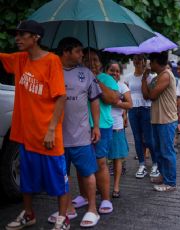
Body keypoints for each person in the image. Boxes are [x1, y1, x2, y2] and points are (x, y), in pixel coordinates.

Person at [1, 20, 70, 230]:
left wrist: (50, 130)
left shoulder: (52, 61)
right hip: (26, 134)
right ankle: (29, 214)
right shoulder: (20, 59)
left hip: (48, 134)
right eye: (17, 34)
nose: (18, 38)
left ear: (36, 37)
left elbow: (61, 98)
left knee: (58, 178)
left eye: (23, 34)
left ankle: (63, 217)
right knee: (27, 179)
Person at [43, 37, 102, 228]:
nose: (82, 54)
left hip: (81, 135)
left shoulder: (87, 73)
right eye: (78, 51)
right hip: (58, 137)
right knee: (62, 174)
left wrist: (96, 126)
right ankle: (68, 209)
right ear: (66, 52)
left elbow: (94, 100)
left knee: (87, 173)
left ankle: (92, 209)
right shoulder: (50, 72)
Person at [77, 49, 119, 215]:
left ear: (100, 63)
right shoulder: (78, 77)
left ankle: (106, 199)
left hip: (101, 125)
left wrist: (95, 80)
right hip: (80, 126)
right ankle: (84, 196)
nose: (91, 63)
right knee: (81, 164)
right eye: (87, 60)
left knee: (100, 162)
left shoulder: (106, 78)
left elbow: (112, 99)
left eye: (95, 60)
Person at [142, 51, 178, 192]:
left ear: (157, 62)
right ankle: (164, 176)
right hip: (157, 119)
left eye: (151, 61)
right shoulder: (157, 77)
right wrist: (144, 77)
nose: (150, 64)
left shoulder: (166, 75)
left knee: (167, 152)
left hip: (166, 120)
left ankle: (170, 182)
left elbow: (152, 96)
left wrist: (147, 79)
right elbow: (145, 95)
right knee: (159, 151)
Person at [125, 54, 159, 179]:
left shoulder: (151, 77)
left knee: (149, 139)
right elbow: (125, 95)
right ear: (132, 61)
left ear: (145, 61)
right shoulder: (128, 77)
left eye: (140, 58)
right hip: (132, 109)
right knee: (137, 139)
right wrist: (124, 114)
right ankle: (142, 164)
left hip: (146, 108)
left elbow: (151, 94)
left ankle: (156, 163)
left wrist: (145, 76)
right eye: (135, 58)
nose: (137, 61)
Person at [106, 61, 133, 198]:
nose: (115, 73)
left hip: (116, 126)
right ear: (106, 71)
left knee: (117, 158)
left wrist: (117, 102)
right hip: (101, 126)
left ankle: (116, 187)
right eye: (112, 70)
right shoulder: (100, 85)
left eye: (117, 71)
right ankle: (102, 185)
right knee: (101, 159)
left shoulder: (122, 87)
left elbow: (130, 104)